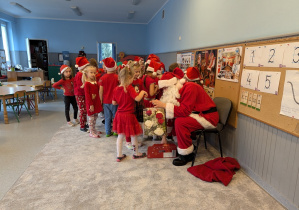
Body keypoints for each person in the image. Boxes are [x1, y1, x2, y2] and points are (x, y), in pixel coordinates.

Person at [152, 73, 219, 166]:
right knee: (178, 119)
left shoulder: (190, 87)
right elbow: (180, 109)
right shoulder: (180, 90)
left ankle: (186, 155)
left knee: (180, 122)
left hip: (208, 117)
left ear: (173, 85)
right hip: (198, 114)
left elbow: (184, 111)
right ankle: (186, 145)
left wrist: (164, 105)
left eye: (166, 88)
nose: (165, 91)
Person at [112, 66, 148, 162]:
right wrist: (143, 92)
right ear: (129, 78)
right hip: (129, 115)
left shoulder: (116, 89)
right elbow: (137, 98)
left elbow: (114, 103)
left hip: (119, 115)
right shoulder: (130, 88)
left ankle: (119, 155)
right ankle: (136, 153)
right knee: (133, 135)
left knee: (120, 135)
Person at [125, 61, 144, 150]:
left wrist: (144, 94)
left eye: (139, 72)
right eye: (135, 71)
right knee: (129, 124)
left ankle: (134, 140)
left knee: (136, 123)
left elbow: (142, 90)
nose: (137, 73)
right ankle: (128, 141)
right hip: (131, 105)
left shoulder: (140, 81)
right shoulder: (129, 82)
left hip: (138, 104)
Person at [81, 64, 103, 138]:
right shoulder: (87, 83)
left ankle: (93, 129)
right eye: (91, 72)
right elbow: (87, 96)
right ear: (87, 73)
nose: (93, 74)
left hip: (96, 102)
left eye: (94, 72)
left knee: (95, 116)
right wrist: (91, 104)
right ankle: (91, 131)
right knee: (91, 118)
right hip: (91, 103)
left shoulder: (95, 82)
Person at [99, 57, 119, 137]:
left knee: (107, 118)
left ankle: (107, 132)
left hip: (105, 102)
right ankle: (115, 131)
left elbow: (101, 91)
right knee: (115, 117)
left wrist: (100, 101)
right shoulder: (117, 77)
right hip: (115, 101)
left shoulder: (102, 78)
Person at [73, 57, 89, 132]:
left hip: (82, 94)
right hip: (80, 94)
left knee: (84, 110)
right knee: (82, 110)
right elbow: (81, 86)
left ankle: (84, 123)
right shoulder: (80, 74)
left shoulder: (82, 74)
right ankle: (82, 126)